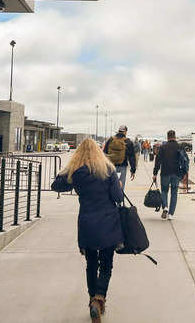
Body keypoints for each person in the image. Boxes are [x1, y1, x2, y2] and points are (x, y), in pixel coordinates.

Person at [53, 138, 123, 322]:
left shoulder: (77, 172)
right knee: (106, 264)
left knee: (91, 264)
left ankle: (93, 299)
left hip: (87, 223)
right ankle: (99, 299)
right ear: (99, 152)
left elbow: (56, 186)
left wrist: (66, 170)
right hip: (108, 223)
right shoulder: (108, 170)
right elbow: (117, 196)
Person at [153, 130, 185, 220]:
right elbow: (185, 161)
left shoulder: (163, 147)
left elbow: (158, 161)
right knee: (174, 193)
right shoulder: (179, 147)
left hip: (165, 172)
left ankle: (165, 207)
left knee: (164, 191)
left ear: (167, 137)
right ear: (175, 136)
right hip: (176, 173)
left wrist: (155, 173)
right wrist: (184, 173)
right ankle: (171, 214)